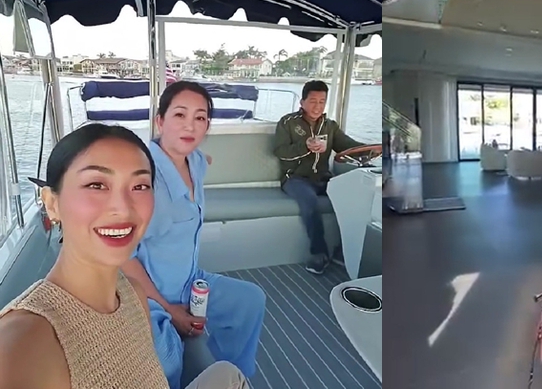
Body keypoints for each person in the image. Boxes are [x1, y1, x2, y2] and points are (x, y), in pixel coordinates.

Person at [0, 123, 251, 389]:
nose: (122, 207)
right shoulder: (26, 339)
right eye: (97, 185)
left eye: (140, 186)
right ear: (52, 203)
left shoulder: (133, 293)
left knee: (228, 373)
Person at [121, 82, 266, 389]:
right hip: (148, 294)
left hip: (190, 281)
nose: (190, 125)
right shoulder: (143, 179)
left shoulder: (195, 161)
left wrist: (201, 157)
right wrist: (169, 309)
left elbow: (203, 160)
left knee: (250, 301)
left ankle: (234, 376)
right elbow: (124, 258)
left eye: (200, 118)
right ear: (160, 121)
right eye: (180, 115)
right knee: (168, 361)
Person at [274, 80, 366, 274]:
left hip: (323, 178)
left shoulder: (330, 126)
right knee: (310, 201)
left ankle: (343, 251)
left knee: (357, 196)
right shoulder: (287, 123)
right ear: (302, 102)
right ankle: (319, 254)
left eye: (322, 102)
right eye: (313, 101)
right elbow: (280, 152)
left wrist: (373, 149)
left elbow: (349, 146)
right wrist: (305, 146)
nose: (317, 106)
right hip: (295, 179)